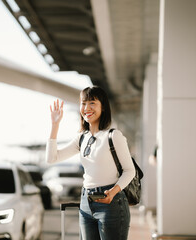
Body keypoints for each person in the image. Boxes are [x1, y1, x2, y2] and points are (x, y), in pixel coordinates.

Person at [46, 86, 136, 240]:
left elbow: (130, 171)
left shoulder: (113, 136)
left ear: (103, 107)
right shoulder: (81, 138)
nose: (86, 108)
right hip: (86, 202)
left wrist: (112, 192)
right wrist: (55, 125)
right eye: (83, 103)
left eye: (92, 103)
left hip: (112, 203)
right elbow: (51, 158)